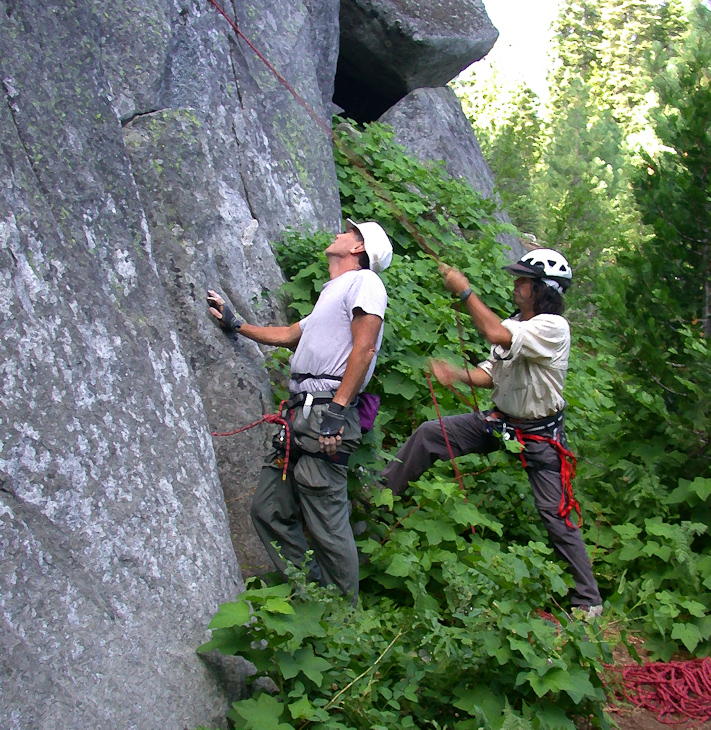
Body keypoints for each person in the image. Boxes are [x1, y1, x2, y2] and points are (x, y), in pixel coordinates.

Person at [381, 248, 603, 616]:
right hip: (503, 422)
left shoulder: (552, 328)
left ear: (542, 289)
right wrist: (458, 375)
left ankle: (588, 599)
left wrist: (465, 291)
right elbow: (491, 372)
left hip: (539, 435)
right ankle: (380, 495)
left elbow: (494, 332)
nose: (515, 285)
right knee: (430, 434)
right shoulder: (517, 322)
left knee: (555, 513)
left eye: (523, 281)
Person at [207, 219, 392, 601]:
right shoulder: (334, 294)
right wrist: (237, 324)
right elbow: (290, 335)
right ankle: (314, 592)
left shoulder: (366, 284)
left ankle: (343, 616)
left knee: (327, 518)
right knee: (266, 509)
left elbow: (365, 348)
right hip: (302, 414)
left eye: (348, 232)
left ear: (358, 248)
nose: (338, 234)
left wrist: (338, 411)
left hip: (326, 412)